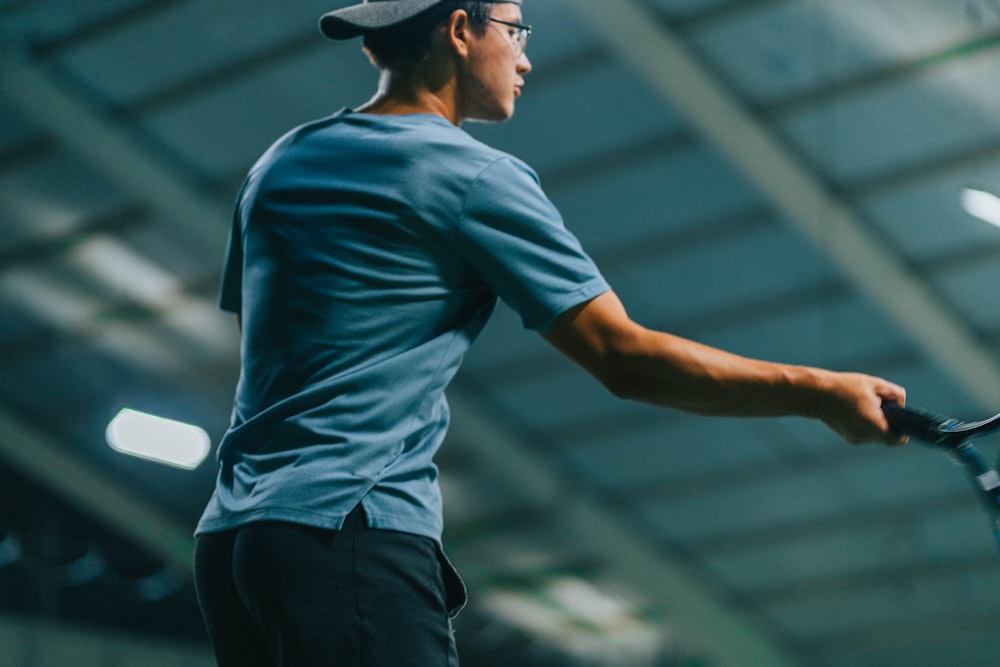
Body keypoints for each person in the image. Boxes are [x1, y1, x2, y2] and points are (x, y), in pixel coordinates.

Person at [192, 1, 907, 666]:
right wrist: (820, 392)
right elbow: (625, 359)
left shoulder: (282, 160)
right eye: (516, 30)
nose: (526, 59)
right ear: (461, 28)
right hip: (349, 529)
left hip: (234, 543)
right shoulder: (468, 173)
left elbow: (258, 333)